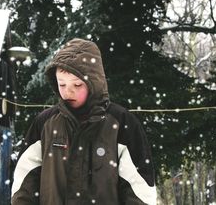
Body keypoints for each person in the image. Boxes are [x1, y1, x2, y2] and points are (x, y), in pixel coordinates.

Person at [11, 38, 157, 205]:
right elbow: (24, 184)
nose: (68, 91)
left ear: (94, 82)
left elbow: (139, 189)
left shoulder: (122, 123)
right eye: (62, 84)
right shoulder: (45, 124)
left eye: (77, 84)